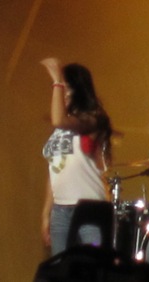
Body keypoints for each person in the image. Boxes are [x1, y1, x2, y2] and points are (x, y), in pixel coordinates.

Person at [40, 58, 113, 256]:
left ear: (78, 89)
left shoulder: (94, 118)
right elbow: (54, 170)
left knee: (93, 265)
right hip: (60, 210)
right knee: (61, 268)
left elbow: (58, 119)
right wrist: (46, 213)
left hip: (90, 208)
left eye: (67, 88)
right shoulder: (60, 130)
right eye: (61, 88)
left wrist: (57, 80)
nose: (62, 93)